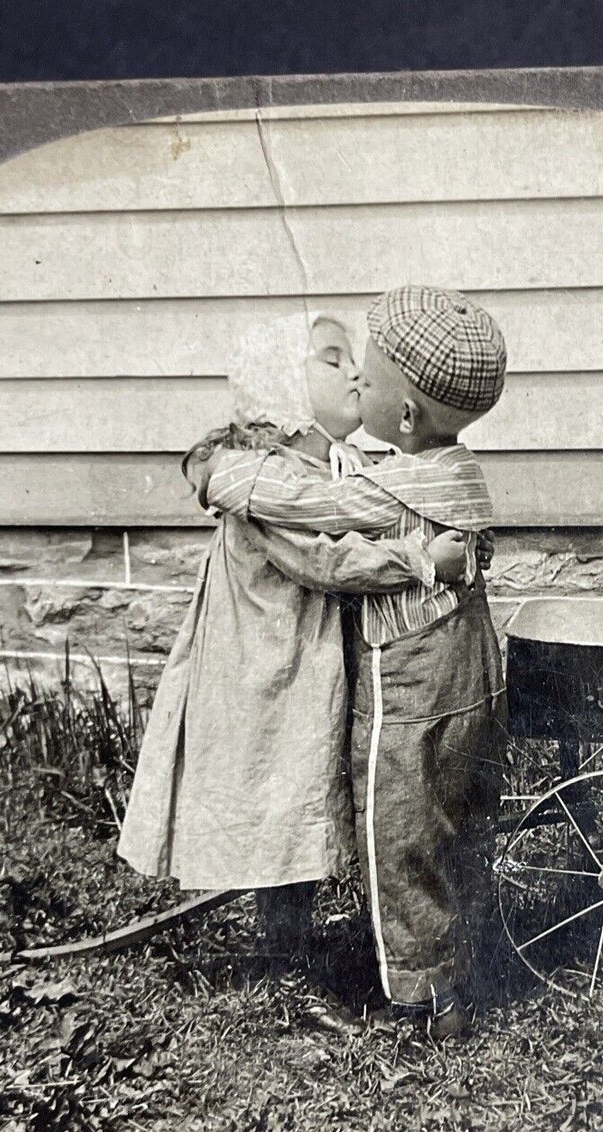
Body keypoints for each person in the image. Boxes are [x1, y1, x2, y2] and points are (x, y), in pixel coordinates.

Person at [117, 313, 467, 1033]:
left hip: (302, 658)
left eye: (350, 360)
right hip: (263, 670)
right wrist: (419, 562)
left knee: (302, 794)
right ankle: (284, 971)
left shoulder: (328, 466)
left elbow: (359, 511)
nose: (352, 373)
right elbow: (322, 559)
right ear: (281, 386)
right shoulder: (263, 479)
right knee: (280, 802)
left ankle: (298, 947)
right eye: (330, 359)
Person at [203, 286, 509, 1042]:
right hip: (410, 674)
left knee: (399, 825)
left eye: (362, 371)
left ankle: (420, 993)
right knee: (435, 817)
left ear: (403, 414)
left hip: (405, 677)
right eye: (335, 362)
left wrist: (212, 466)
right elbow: (307, 521)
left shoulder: (365, 480)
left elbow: (320, 519)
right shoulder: (437, 469)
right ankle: (448, 965)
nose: (353, 381)